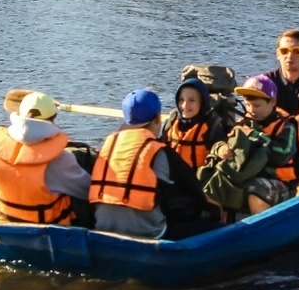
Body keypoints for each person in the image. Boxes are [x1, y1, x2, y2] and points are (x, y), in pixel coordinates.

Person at [92, 88, 218, 240]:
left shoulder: (108, 145)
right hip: (150, 234)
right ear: (158, 118)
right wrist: (215, 208)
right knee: (215, 223)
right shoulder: (162, 151)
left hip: (103, 228)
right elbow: (195, 191)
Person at [200, 74, 299, 216]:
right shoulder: (243, 122)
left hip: (281, 183)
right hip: (248, 176)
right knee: (212, 187)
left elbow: (281, 154)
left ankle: (262, 233)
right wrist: (220, 148)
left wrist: (255, 135)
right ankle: (219, 228)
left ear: (272, 102)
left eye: (257, 105)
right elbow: (226, 142)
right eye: (247, 104)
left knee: (256, 190)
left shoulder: (286, 126)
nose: (251, 110)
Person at [0, 91, 92, 227]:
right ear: (53, 118)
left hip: (4, 221)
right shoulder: (60, 159)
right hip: (47, 228)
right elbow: (89, 191)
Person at [161, 76, 227, 176]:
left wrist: (222, 149)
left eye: (191, 100)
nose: (185, 106)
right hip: (173, 180)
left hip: (200, 182)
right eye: (181, 99)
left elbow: (220, 147)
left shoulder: (211, 126)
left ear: (202, 103)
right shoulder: (170, 123)